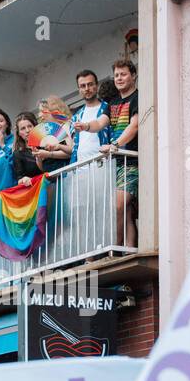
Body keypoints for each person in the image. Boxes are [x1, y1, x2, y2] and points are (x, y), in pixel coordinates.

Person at [102, 58, 139, 247]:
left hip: (131, 162)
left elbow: (134, 126)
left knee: (118, 205)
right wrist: (85, 126)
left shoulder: (138, 97)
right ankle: (129, 248)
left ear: (133, 75)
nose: (119, 78)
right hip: (116, 162)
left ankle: (114, 248)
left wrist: (115, 144)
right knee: (126, 210)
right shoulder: (113, 102)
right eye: (116, 75)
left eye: (123, 74)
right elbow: (101, 122)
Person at [69, 69, 111, 165]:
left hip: (104, 163)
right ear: (79, 90)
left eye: (90, 84)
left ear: (97, 86)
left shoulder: (108, 108)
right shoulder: (76, 117)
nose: (87, 88)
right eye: (83, 86)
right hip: (79, 167)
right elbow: (73, 146)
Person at [34, 96, 74, 174]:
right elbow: (42, 168)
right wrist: (38, 156)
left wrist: (48, 154)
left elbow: (72, 151)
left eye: (42, 111)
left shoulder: (65, 126)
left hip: (66, 175)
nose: (39, 115)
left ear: (53, 111)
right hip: (51, 178)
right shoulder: (46, 132)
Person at [12, 112, 43, 184]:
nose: (27, 130)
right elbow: (19, 179)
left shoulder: (46, 144)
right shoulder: (18, 154)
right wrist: (23, 179)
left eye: (30, 126)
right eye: (23, 128)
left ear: (35, 126)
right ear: (19, 133)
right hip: (36, 190)